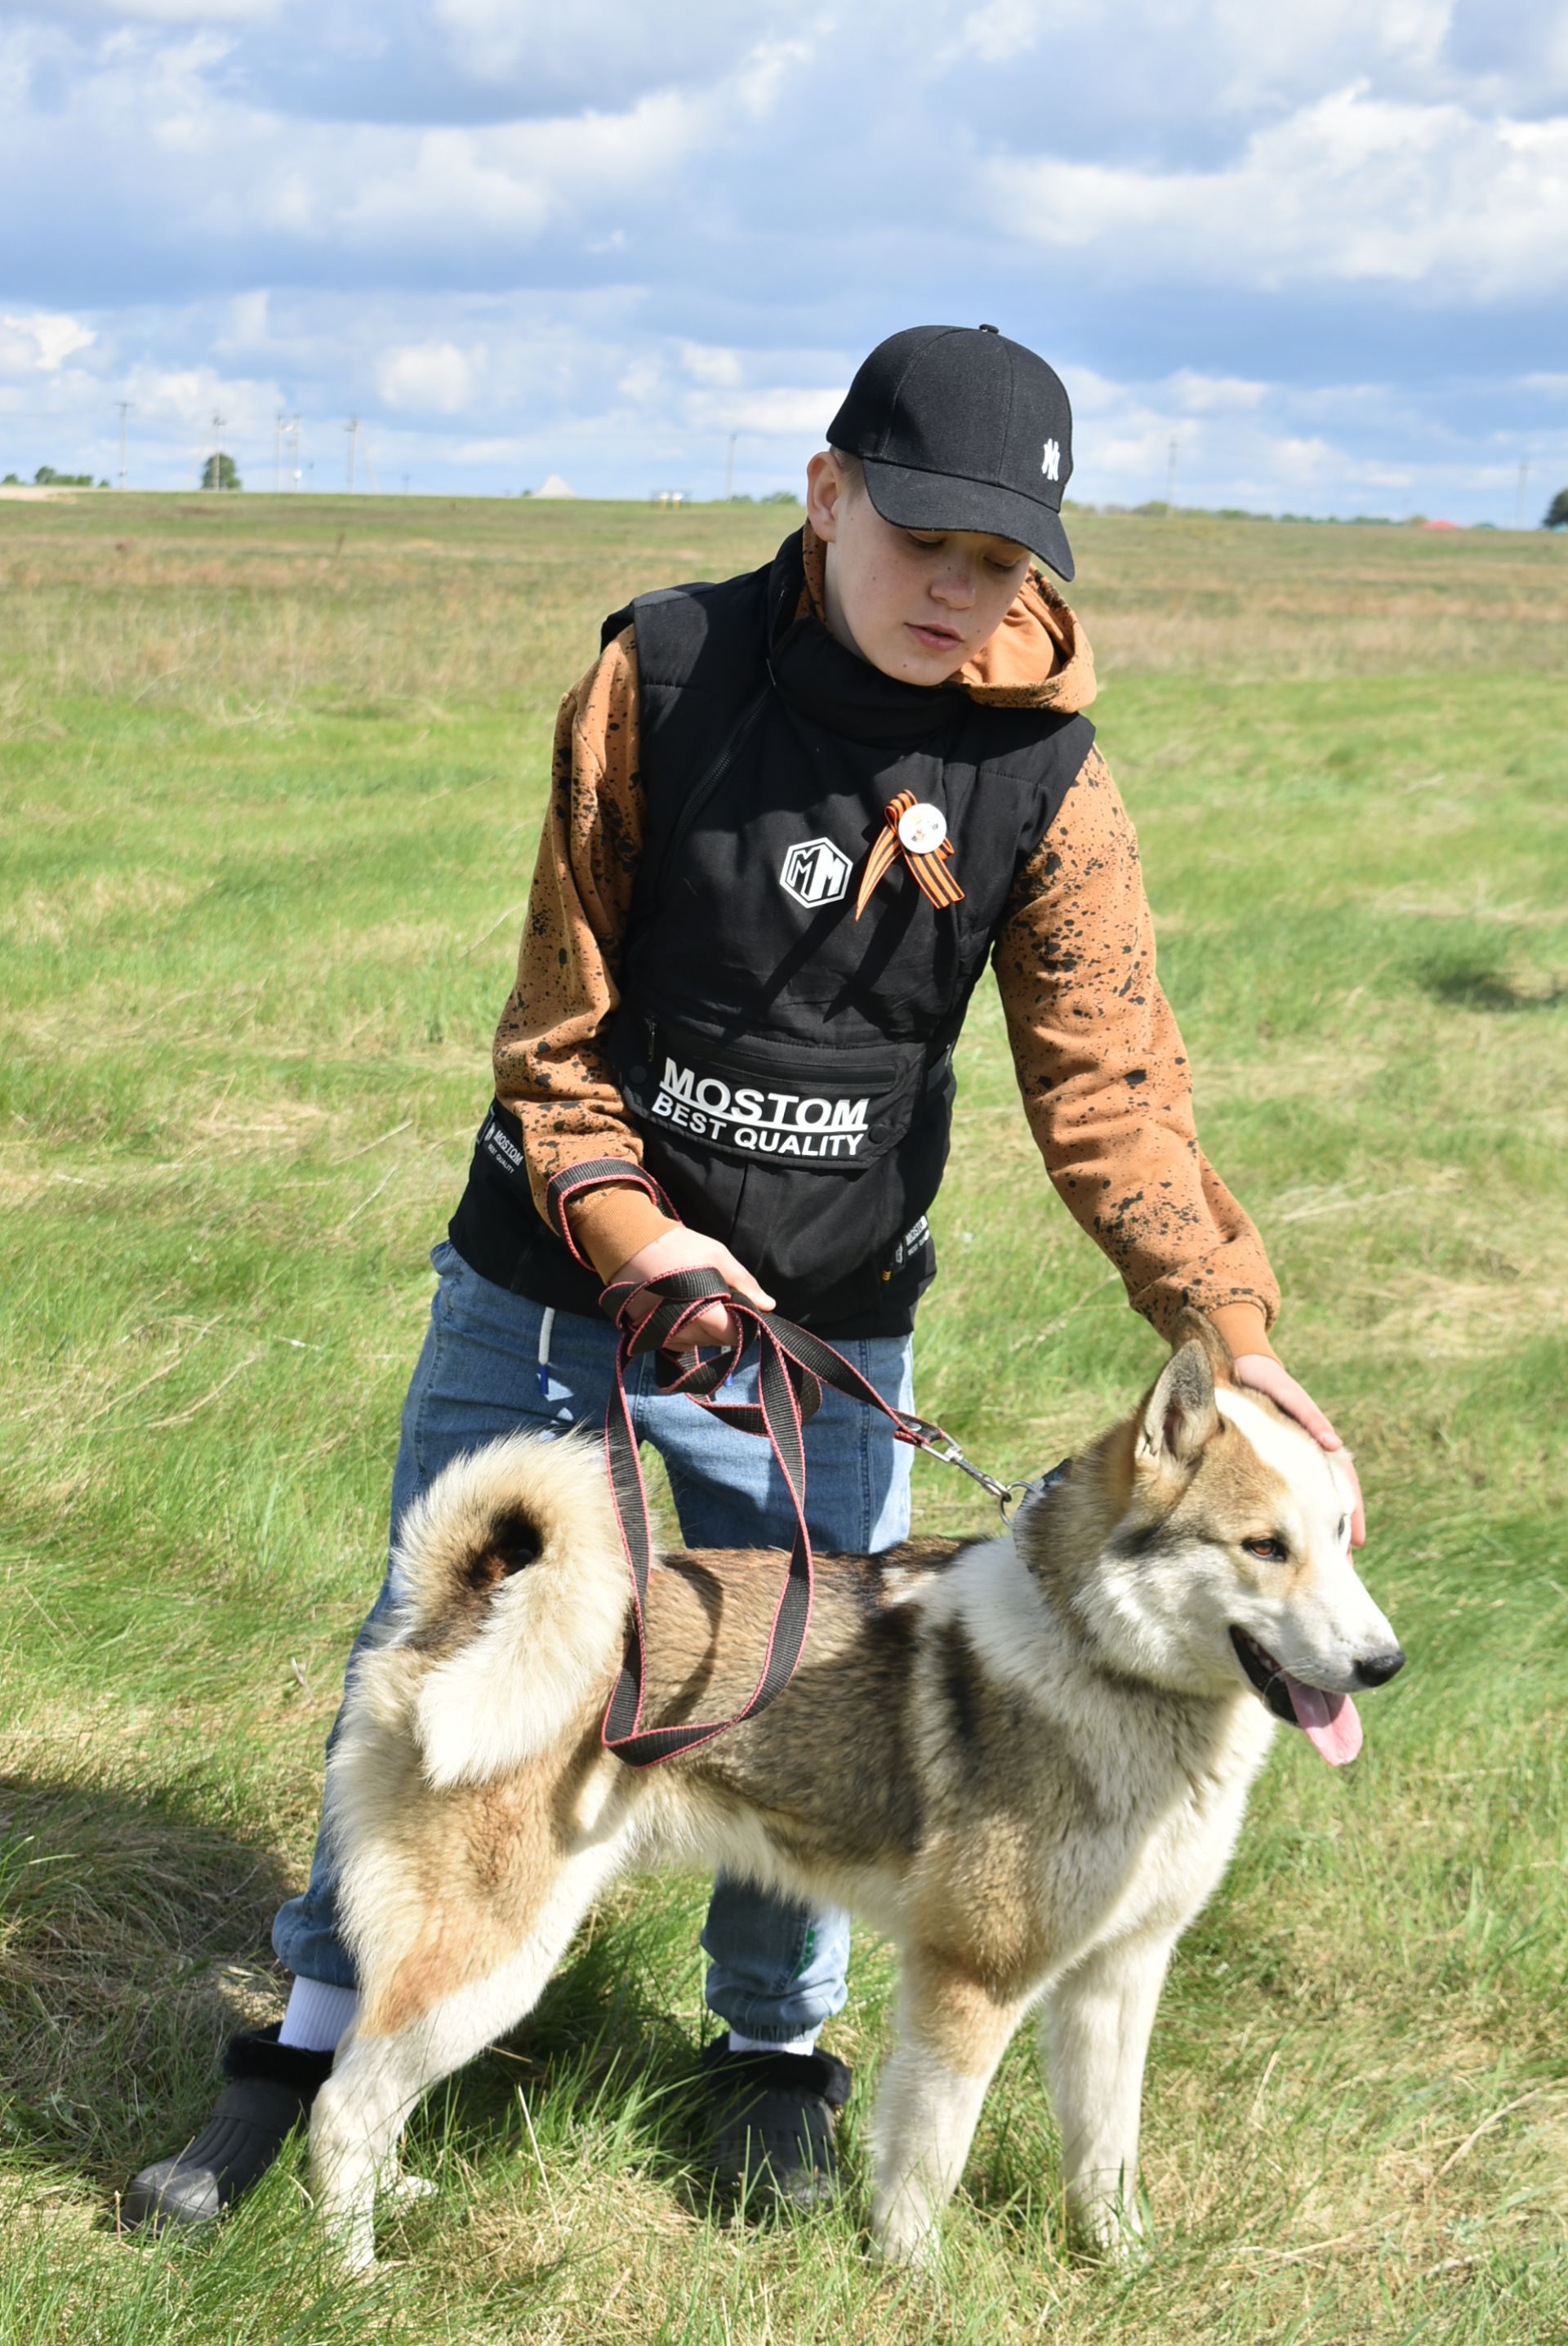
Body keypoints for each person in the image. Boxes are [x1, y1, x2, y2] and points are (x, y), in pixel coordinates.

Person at [125, 323, 1362, 2228]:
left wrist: (1237, 1339)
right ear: (827, 492)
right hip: (555, 1279)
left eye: (1006, 562)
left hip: (828, 1326)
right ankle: (301, 2045)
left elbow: (1115, 1091)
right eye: (928, 543)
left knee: (830, 1706)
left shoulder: (1046, 775)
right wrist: (637, 1234)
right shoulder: (664, 672)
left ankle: (771, 2055)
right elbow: (553, 1038)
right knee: (459, 1673)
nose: (965, 593)